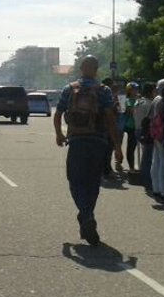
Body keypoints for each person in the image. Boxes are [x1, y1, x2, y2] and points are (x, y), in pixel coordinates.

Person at [55, 55, 123, 246]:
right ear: (96, 69)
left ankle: (85, 215)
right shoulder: (104, 90)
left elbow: (59, 113)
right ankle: (87, 214)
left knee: (74, 180)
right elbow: (110, 119)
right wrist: (117, 146)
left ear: (81, 68)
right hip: (98, 142)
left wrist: (59, 134)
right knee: (93, 182)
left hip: (76, 141)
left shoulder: (69, 89)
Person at [150, 81, 164, 201]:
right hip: (163, 134)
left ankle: (156, 188)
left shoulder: (156, 99)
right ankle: (163, 190)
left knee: (157, 161)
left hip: (156, 133)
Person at [135, 82, 156, 191]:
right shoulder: (149, 104)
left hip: (138, 130)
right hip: (146, 132)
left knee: (145, 156)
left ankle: (144, 177)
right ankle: (148, 181)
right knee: (148, 157)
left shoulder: (138, 102)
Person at [123, 82, 139, 171]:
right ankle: (131, 167)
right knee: (131, 147)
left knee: (134, 146)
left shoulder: (138, 100)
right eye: (134, 89)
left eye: (137, 89)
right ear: (129, 90)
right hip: (131, 126)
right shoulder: (128, 101)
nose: (136, 91)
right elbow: (130, 111)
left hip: (137, 125)